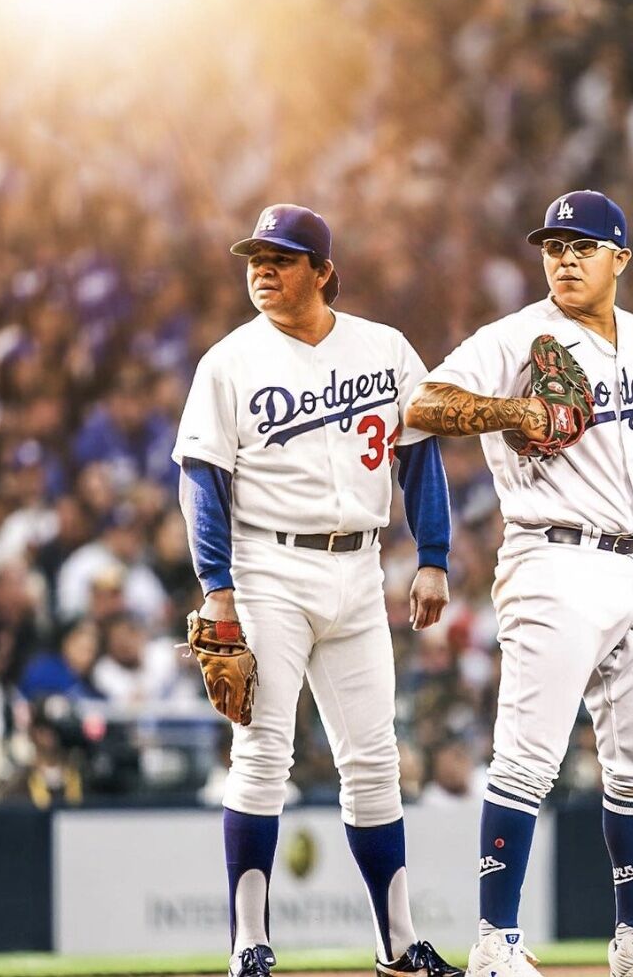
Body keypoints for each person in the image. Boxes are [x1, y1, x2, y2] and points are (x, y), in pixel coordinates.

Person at [406, 190, 633, 977]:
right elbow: (422, 401)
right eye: (553, 246)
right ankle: (494, 944)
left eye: (583, 246)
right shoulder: (519, 336)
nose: (565, 259)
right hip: (553, 558)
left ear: (620, 258)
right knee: (525, 762)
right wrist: (513, 411)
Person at [173, 205, 462, 977]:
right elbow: (203, 482)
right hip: (267, 568)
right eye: (255, 259)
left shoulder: (385, 348)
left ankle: (397, 944)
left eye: (282, 258)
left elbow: (420, 455)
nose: (262, 270)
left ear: (324, 270)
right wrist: (217, 588)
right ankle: (249, 945)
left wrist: (432, 554)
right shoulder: (228, 362)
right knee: (262, 751)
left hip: (361, 568)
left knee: (374, 760)